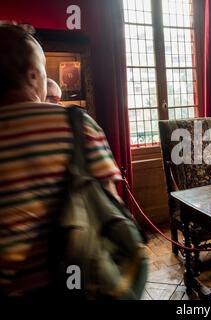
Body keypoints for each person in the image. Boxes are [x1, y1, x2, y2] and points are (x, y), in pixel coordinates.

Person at [0, 23, 122, 297]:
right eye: (44, 68)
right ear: (33, 75)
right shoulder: (76, 124)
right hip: (75, 281)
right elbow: (111, 206)